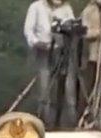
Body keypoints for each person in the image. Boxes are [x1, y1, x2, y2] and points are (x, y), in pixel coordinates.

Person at [24, 0, 78, 128]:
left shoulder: (66, 8)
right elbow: (28, 30)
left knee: (68, 86)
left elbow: (72, 26)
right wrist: (36, 42)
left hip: (62, 50)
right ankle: (45, 122)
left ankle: (71, 122)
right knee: (45, 86)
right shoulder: (36, 7)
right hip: (44, 50)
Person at [80, 0, 101, 125]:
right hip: (92, 57)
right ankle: (86, 117)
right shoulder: (89, 11)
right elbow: (84, 32)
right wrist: (99, 32)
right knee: (90, 87)